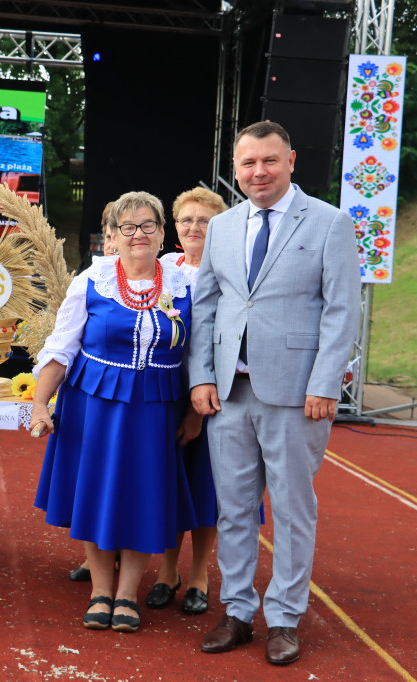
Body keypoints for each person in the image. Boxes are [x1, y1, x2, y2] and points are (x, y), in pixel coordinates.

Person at [188, 121, 360, 664]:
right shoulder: (223, 226)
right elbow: (206, 308)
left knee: (290, 510)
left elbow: (341, 311)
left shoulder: (331, 223)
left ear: (291, 161)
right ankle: (238, 612)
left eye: (268, 161)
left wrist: (325, 383)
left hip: (296, 395)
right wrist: (201, 376)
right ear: (235, 169)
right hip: (229, 394)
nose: (257, 172)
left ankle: (284, 618)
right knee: (234, 510)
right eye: (247, 163)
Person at [31, 191, 200, 633]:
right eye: (127, 227)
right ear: (113, 236)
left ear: (163, 234)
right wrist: (39, 403)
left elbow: (198, 356)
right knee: (97, 495)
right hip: (94, 405)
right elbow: (62, 345)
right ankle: (100, 591)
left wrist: (195, 411)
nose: (138, 234)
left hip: (155, 409)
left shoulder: (187, 286)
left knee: (143, 497)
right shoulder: (93, 280)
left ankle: (128, 595)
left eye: (147, 225)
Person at [145, 188, 228, 616]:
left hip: (210, 396)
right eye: (186, 220)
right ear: (174, 227)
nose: (194, 228)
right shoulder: (161, 269)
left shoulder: (230, 272)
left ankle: (199, 574)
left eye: (205, 221)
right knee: (170, 485)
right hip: (163, 395)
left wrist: (197, 412)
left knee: (204, 487)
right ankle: (166, 571)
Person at [69, 199, 119, 584]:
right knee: (97, 481)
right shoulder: (91, 279)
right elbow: (65, 341)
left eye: (139, 227)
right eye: (115, 229)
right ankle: (99, 564)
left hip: (153, 397)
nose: (121, 237)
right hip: (97, 394)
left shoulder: (170, 280)